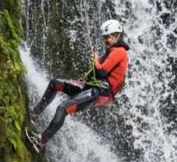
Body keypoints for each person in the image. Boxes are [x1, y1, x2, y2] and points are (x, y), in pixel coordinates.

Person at [27, 19, 130, 152]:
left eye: (107, 38)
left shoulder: (120, 51)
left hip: (97, 93)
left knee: (63, 108)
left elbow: (102, 70)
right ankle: (35, 113)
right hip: (92, 88)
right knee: (55, 84)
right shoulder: (113, 50)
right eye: (104, 38)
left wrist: (95, 60)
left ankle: (40, 141)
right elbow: (100, 73)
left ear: (116, 35)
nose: (105, 41)